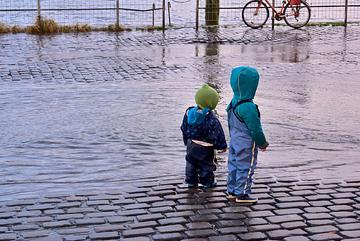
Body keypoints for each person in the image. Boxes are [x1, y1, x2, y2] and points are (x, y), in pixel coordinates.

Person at [226, 66, 269, 204]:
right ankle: (242, 193)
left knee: (233, 166)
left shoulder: (233, 102)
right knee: (246, 167)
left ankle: (232, 191)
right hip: (246, 144)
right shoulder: (249, 107)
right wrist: (262, 143)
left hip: (234, 141)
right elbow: (255, 129)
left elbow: (230, 123)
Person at [181, 84, 227, 188]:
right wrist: (222, 146)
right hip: (206, 147)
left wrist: (186, 140)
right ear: (212, 103)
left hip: (191, 144)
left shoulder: (188, 113)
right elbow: (217, 133)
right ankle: (207, 182)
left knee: (190, 163)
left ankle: (191, 181)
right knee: (207, 165)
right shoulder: (211, 118)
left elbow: (183, 127)